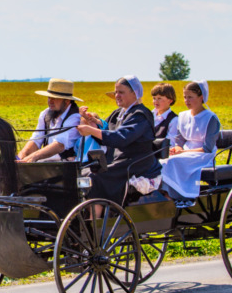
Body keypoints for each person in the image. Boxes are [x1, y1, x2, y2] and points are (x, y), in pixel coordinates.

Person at [76, 75, 161, 204]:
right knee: (83, 171)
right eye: (116, 92)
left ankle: (95, 218)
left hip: (135, 162)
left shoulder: (140, 115)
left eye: (121, 92)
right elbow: (107, 135)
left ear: (134, 93)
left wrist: (92, 130)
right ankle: (87, 212)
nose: (117, 95)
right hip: (117, 160)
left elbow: (120, 138)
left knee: (95, 177)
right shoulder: (118, 113)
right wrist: (92, 123)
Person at [160, 80, 221, 207]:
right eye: (185, 97)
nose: (187, 101)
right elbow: (179, 140)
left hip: (203, 156)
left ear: (201, 97)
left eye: (190, 97)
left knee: (173, 162)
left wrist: (183, 152)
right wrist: (176, 148)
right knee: (163, 161)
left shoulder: (210, 118)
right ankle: (166, 193)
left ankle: (182, 196)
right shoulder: (183, 116)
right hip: (186, 154)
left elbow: (208, 148)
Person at [17, 78, 82, 162]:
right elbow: (36, 139)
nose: (50, 101)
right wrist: (21, 156)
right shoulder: (45, 114)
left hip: (67, 164)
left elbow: (59, 145)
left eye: (55, 98)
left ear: (67, 101)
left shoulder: (75, 117)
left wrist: (33, 157)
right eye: (49, 97)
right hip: (46, 163)